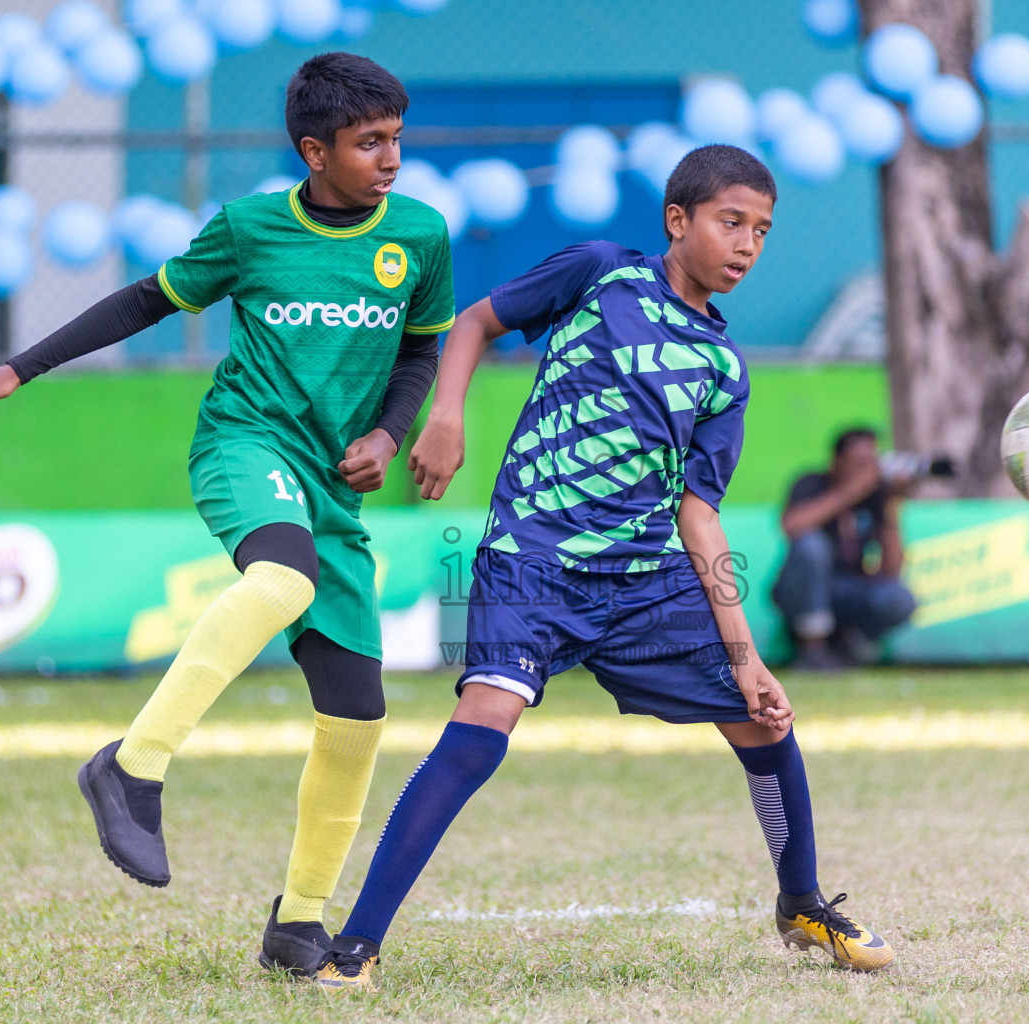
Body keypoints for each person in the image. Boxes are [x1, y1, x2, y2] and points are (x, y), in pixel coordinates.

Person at [305, 144, 893, 993]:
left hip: (645, 580)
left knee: (766, 724)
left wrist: (745, 656)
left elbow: (700, 514)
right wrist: (446, 418)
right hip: (531, 562)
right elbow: (475, 320)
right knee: (482, 728)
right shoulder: (601, 274)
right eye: (732, 222)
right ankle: (354, 947)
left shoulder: (724, 371)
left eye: (762, 231)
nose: (747, 245)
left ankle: (801, 902)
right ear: (677, 220)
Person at [0, 52, 456, 979]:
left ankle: (298, 924)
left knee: (358, 714)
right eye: (368, 143)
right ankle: (132, 767)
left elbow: (422, 351)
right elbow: (147, 298)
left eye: (396, 139)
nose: (390, 158)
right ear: (313, 150)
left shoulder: (419, 235)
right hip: (246, 446)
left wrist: (389, 432)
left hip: (334, 485)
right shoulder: (251, 228)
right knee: (279, 578)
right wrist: (23, 368)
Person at [772, 427, 916, 670]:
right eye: (858, 462)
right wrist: (851, 492)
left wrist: (892, 504)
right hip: (801, 592)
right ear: (836, 461)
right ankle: (813, 650)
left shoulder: (876, 497)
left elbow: (892, 570)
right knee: (811, 546)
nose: (867, 471)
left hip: (846, 593)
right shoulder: (811, 483)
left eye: (872, 463)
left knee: (899, 599)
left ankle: (850, 652)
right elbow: (791, 526)